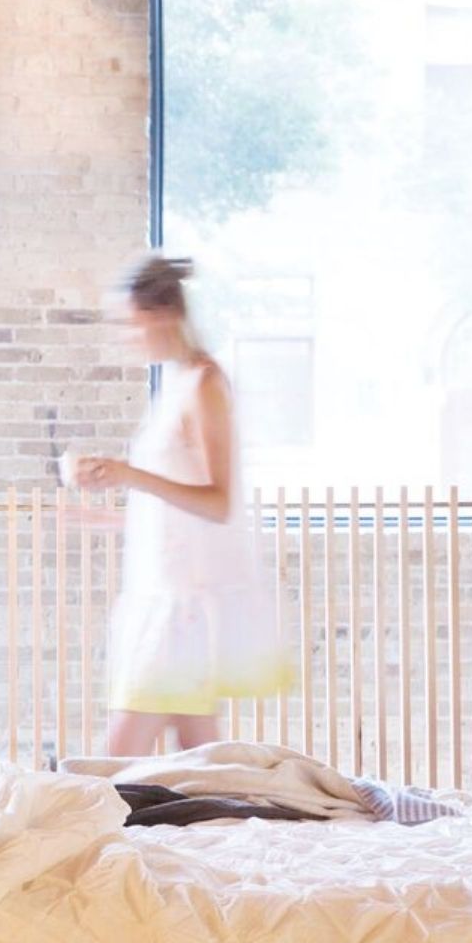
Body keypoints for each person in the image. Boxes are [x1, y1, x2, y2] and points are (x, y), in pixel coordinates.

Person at [60, 256, 284, 756]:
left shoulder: (205, 383)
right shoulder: (175, 384)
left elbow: (218, 502)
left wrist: (127, 474)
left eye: (128, 323)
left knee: (111, 769)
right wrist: (110, 517)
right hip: (167, 601)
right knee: (198, 766)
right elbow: (176, 512)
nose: (123, 335)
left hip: (181, 614)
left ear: (161, 314)